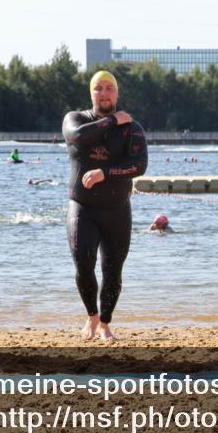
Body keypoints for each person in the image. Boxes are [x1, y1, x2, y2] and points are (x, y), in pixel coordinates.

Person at [63, 70, 148, 343]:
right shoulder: (75, 119)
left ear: (117, 93)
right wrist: (111, 120)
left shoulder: (131, 128)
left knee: (113, 271)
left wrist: (105, 173)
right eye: (98, 88)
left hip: (117, 210)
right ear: (91, 93)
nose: (104, 93)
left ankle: (106, 324)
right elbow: (78, 136)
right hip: (82, 208)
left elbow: (139, 165)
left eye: (109, 88)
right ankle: (92, 315)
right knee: (83, 263)